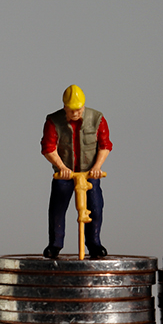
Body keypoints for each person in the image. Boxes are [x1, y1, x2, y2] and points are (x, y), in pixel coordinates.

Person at [41, 85, 112, 259]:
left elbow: (105, 145)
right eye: (71, 110)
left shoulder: (97, 119)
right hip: (65, 175)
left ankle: (94, 244)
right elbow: (48, 148)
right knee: (57, 209)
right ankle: (55, 244)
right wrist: (62, 168)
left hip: (89, 174)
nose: (75, 113)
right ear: (64, 106)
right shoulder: (53, 121)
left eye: (79, 109)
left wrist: (96, 167)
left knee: (95, 208)